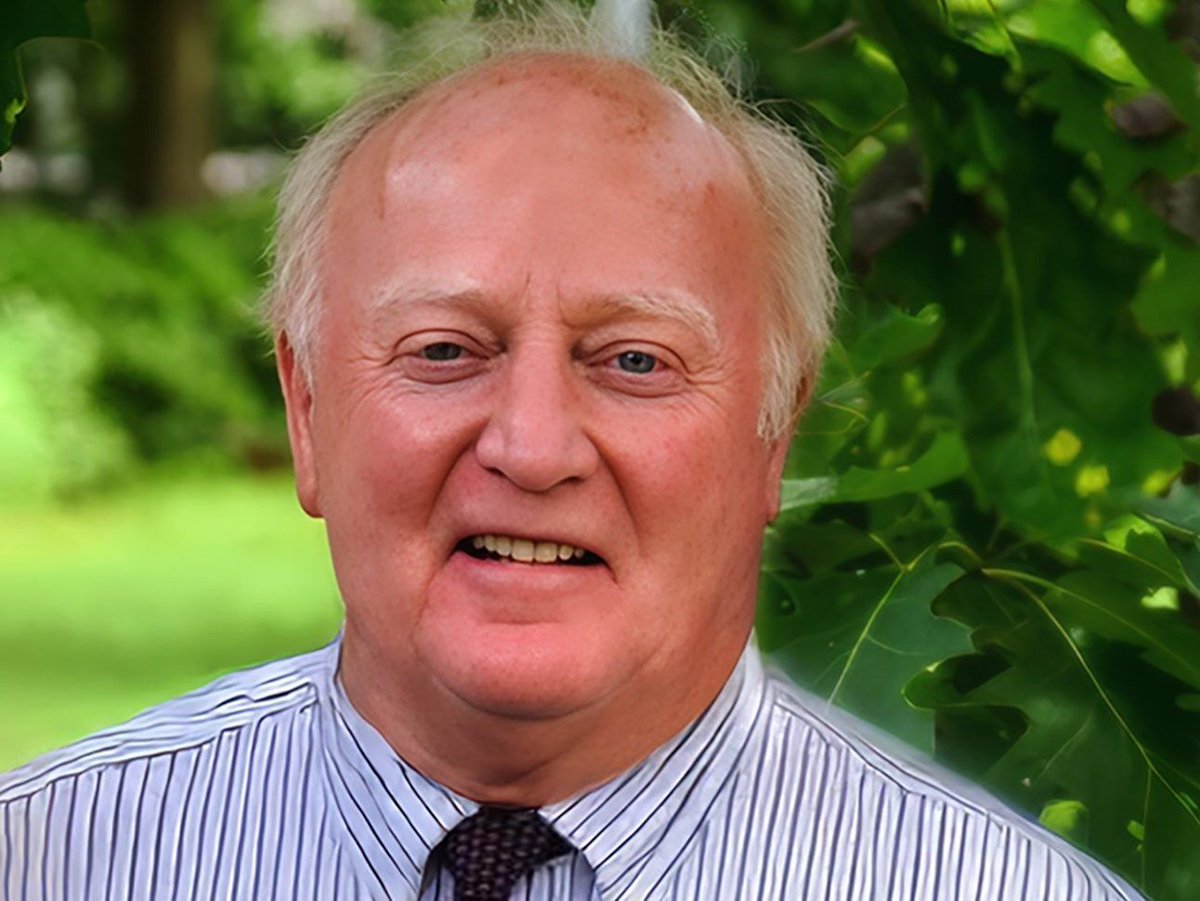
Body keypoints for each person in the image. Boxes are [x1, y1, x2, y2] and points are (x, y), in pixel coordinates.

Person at [0, 4, 1142, 899]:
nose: (533, 447)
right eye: (445, 350)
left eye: (635, 360)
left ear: (775, 429)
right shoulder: (46, 861)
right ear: (306, 413)